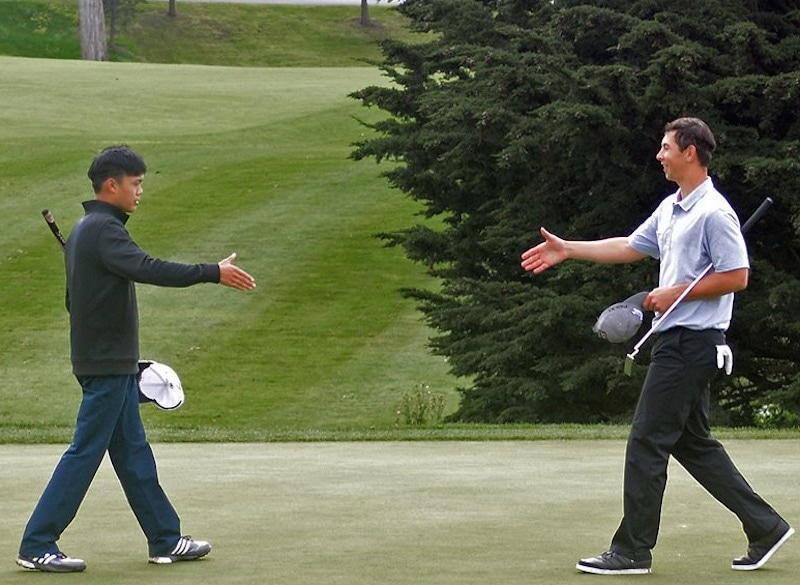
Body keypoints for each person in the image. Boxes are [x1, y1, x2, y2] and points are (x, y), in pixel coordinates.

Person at [520, 118, 793, 575]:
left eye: (666, 147)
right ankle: (765, 526)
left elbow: (737, 276)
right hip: (677, 342)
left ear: (690, 152)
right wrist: (568, 248)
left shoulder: (715, 213)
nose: (659, 155)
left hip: (692, 344)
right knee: (692, 442)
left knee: (646, 440)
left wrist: (675, 293)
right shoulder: (671, 208)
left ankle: (632, 551)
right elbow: (630, 246)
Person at [16, 146, 257, 573]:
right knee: (85, 453)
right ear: (112, 185)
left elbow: (75, 302)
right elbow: (148, 268)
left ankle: (165, 538)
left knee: (133, 454)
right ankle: (37, 543)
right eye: (136, 183)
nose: (140, 191)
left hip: (110, 362)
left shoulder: (87, 229)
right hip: (107, 364)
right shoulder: (103, 230)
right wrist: (211, 272)